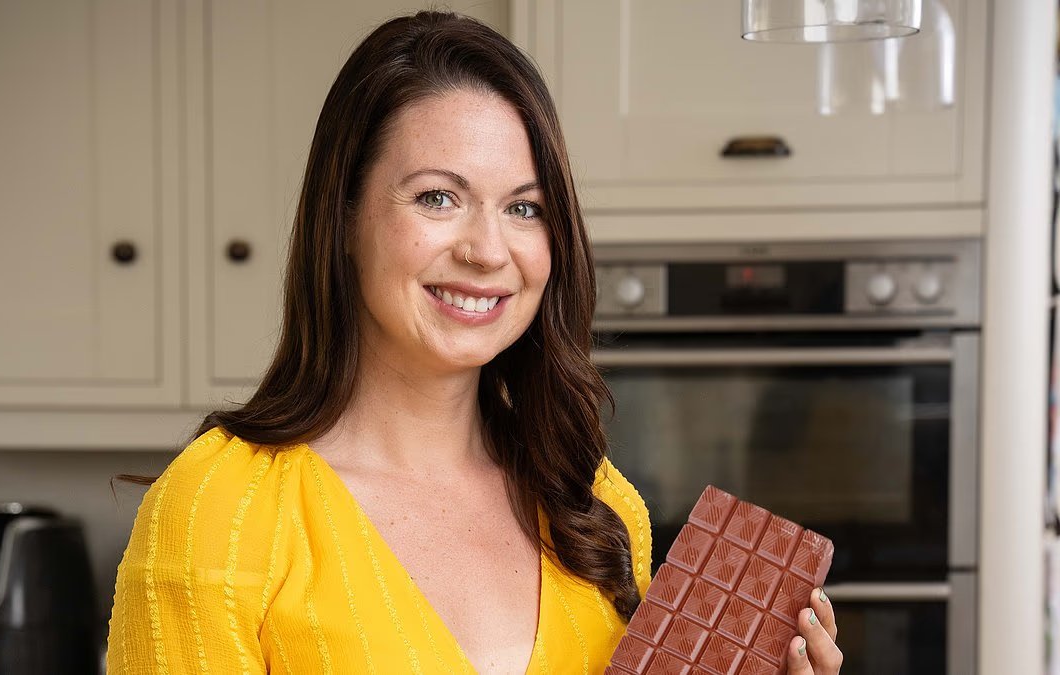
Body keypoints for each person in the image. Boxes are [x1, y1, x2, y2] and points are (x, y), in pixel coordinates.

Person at [106, 10, 843, 674]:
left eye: (524, 208)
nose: (488, 251)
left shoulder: (594, 505)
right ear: (344, 217)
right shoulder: (218, 509)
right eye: (438, 197)